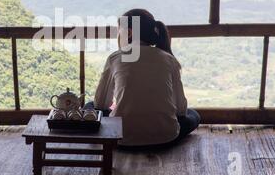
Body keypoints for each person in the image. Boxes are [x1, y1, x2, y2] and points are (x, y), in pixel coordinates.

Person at [84, 9, 200, 149]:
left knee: (89, 108)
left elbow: (100, 104)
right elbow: (181, 110)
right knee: (193, 115)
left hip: (120, 139)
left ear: (130, 32)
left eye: (119, 31)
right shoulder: (169, 59)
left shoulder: (115, 58)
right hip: (165, 138)